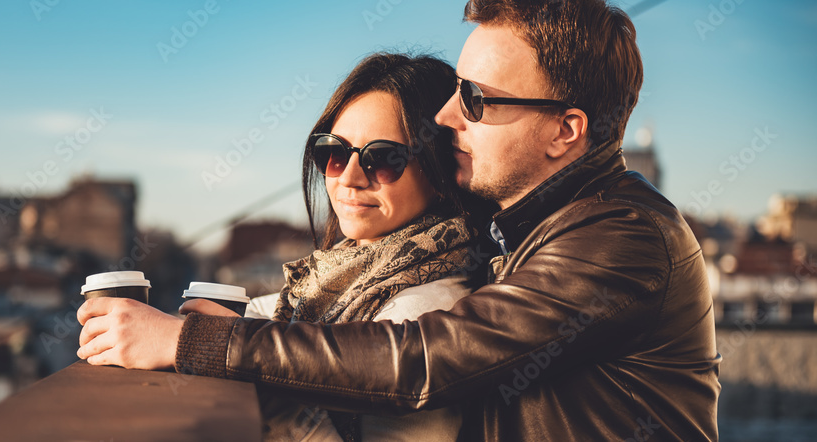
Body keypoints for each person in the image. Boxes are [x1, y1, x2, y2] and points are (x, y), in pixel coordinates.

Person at [77, 0, 722, 440]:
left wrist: (188, 343)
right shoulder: (527, 227)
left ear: (566, 130)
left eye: (476, 99)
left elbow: (425, 357)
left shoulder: (623, 237)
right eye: (332, 154)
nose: (447, 118)